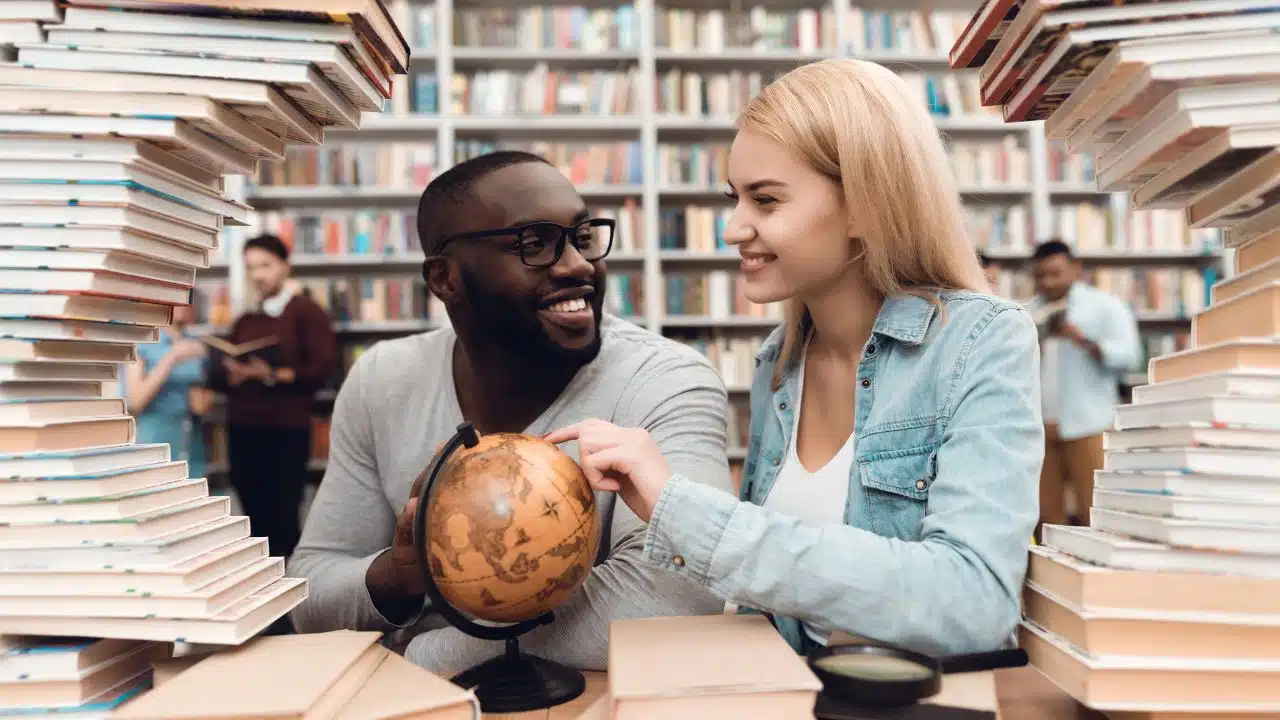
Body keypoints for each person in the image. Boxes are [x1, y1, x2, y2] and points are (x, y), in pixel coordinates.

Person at [544, 58, 1044, 658]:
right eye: (736, 198)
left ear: (866, 205)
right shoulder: (778, 361)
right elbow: (774, 603)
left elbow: (974, 604)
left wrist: (689, 511)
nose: (732, 229)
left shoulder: (982, 341)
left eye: (766, 201)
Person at [287, 151, 733, 673]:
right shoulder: (381, 381)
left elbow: (675, 596)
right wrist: (397, 575)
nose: (578, 265)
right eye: (534, 244)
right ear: (445, 279)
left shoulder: (667, 381)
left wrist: (426, 657)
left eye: (581, 236)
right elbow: (310, 591)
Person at [205, 234, 338, 560]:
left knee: (282, 516)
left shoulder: (306, 311)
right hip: (243, 427)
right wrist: (231, 373)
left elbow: (321, 369)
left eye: (265, 266)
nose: (258, 275)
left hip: (285, 429)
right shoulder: (246, 320)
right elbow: (218, 377)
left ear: (284, 266)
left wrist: (270, 375)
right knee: (251, 515)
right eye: (251, 268)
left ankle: (288, 598)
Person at [1029, 239, 1140, 535]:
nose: (1048, 282)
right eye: (1040, 275)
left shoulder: (1106, 306)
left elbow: (1131, 356)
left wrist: (1085, 342)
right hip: (1038, 428)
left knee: (1097, 515)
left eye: (1055, 273)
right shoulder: (1027, 313)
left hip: (1088, 425)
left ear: (1075, 270)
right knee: (1044, 520)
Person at [124, 303, 210, 479]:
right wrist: (172, 357)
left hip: (190, 440)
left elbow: (200, 407)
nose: (184, 306)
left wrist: (208, 370)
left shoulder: (193, 342)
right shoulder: (142, 342)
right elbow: (136, 401)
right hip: (154, 438)